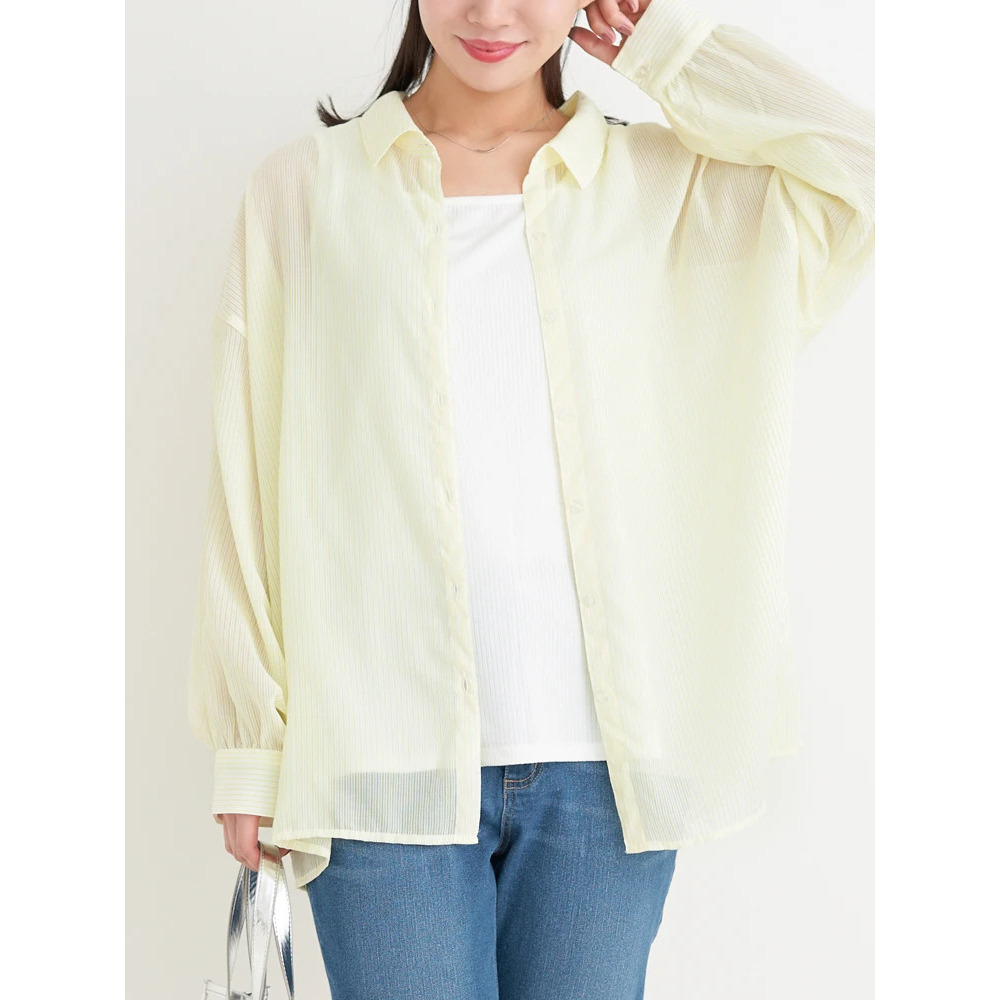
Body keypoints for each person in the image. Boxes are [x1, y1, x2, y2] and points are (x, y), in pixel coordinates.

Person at [188, 0, 874, 996]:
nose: (490, 12)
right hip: (377, 758)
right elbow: (248, 471)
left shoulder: (661, 190)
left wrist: (666, 52)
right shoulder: (305, 191)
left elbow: (869, 171)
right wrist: (250, 745)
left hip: (606, 768)